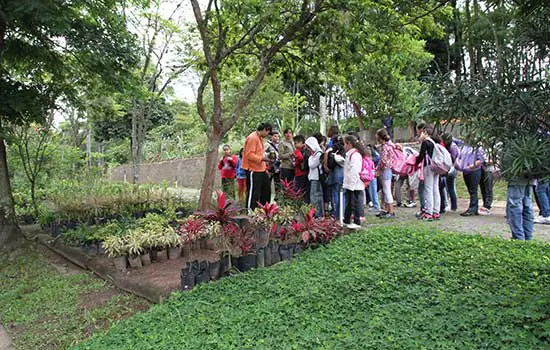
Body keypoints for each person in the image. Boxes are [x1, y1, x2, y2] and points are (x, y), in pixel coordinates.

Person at [242, 123, 272, 211]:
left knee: (266, 190)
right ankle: (249, 212)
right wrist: (263, 158)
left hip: (261, 169)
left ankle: (263, 210)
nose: (267, 135)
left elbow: (259, 153)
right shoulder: (252, 138)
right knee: (254, 193)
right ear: (264, 130)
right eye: (268, 132)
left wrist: (266, 159)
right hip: (253, 169)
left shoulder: (260, 138)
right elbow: (249, 155)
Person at [415, 124, 441, 221]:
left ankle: (428, 212)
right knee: (435, 189)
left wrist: (414, 161)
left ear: (425, 132)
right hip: (436, 166)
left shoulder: (426, 142)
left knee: (428, 189)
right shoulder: (435, 142)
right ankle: (436, 211)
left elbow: (421, 156)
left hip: (428, 167)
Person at [342, 134, 366, 229]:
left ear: (349, 144)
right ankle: (347, 220)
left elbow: (354, 171)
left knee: (355, 203)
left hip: (355, 184)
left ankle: (357, 221)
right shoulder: (350, 154)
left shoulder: (355, 155)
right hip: (350, 184)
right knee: (349, 203)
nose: (343, 146)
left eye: (344, 144)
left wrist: (351, 184)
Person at [455, 141, 485, 216]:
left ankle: (473, 208)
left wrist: (473, 165)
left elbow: (481, 160)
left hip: (474, 170)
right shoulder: (464, 147)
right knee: (470, 190)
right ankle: (473, 207)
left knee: (473, 190)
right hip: (465, 171)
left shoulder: (477, 148)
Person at [375, 128, 397, 219]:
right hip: (389, 169)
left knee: (387, 190)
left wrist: (377, 169)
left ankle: (391, 211)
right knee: (386, 190)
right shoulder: (391, 145)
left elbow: (383, 160)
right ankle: (388, 210)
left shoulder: (384, 147)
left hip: (385, 170)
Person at [324, 134, 345, 220]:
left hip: (334, 174)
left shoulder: (331, 149)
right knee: (341, 194)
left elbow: (326, 154)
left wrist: (326, 166)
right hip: (341, 174)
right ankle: (341, 213)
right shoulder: (344, 150)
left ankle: (336, 213)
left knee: (335, 193)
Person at [305, 136, 324, 218]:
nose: (308, 149)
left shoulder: (318, 154)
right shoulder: (314, 155)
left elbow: (312, 164)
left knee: (315, 197)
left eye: (309, 147)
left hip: (316, 178)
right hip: (312, 177)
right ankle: (315, 213)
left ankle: (318, 214)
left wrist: (310, 157)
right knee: (314, 196)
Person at [441, 133, 459, 212]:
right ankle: (449, 205)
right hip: (449, 169)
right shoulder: (451, 146)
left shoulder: (452, 147)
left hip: (450, 169)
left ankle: (453, 206)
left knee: (450, 188)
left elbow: (453, 159)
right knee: (447, 188)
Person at [265, 130, 281, 199]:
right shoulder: (267, 145)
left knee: (278, 183)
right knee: (268, 183)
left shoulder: (280, 145)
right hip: (270, 166)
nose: (276, 138)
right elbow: (263, 153)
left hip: (278, 166)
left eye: (278, 136)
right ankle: (266, 198)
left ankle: (277, 198)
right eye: (275, 136)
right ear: (271, 137)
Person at [479, 149, 495, 215]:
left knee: (488, 188)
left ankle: (487, 206)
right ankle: (484, 204)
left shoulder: (492, 148)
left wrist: (484, 161)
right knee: (483, 188)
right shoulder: (480, 148)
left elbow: (494, 160)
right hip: (481, 170)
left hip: (489, 170)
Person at [293, 135, 309, 202]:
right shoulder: (306, 150)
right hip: (306, 172)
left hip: (299, 173)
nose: (295, 145)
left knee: (299, 190)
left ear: (301, 142)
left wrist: (295, 163)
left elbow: (300, 158)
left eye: (296, 143)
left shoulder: (297, 151)